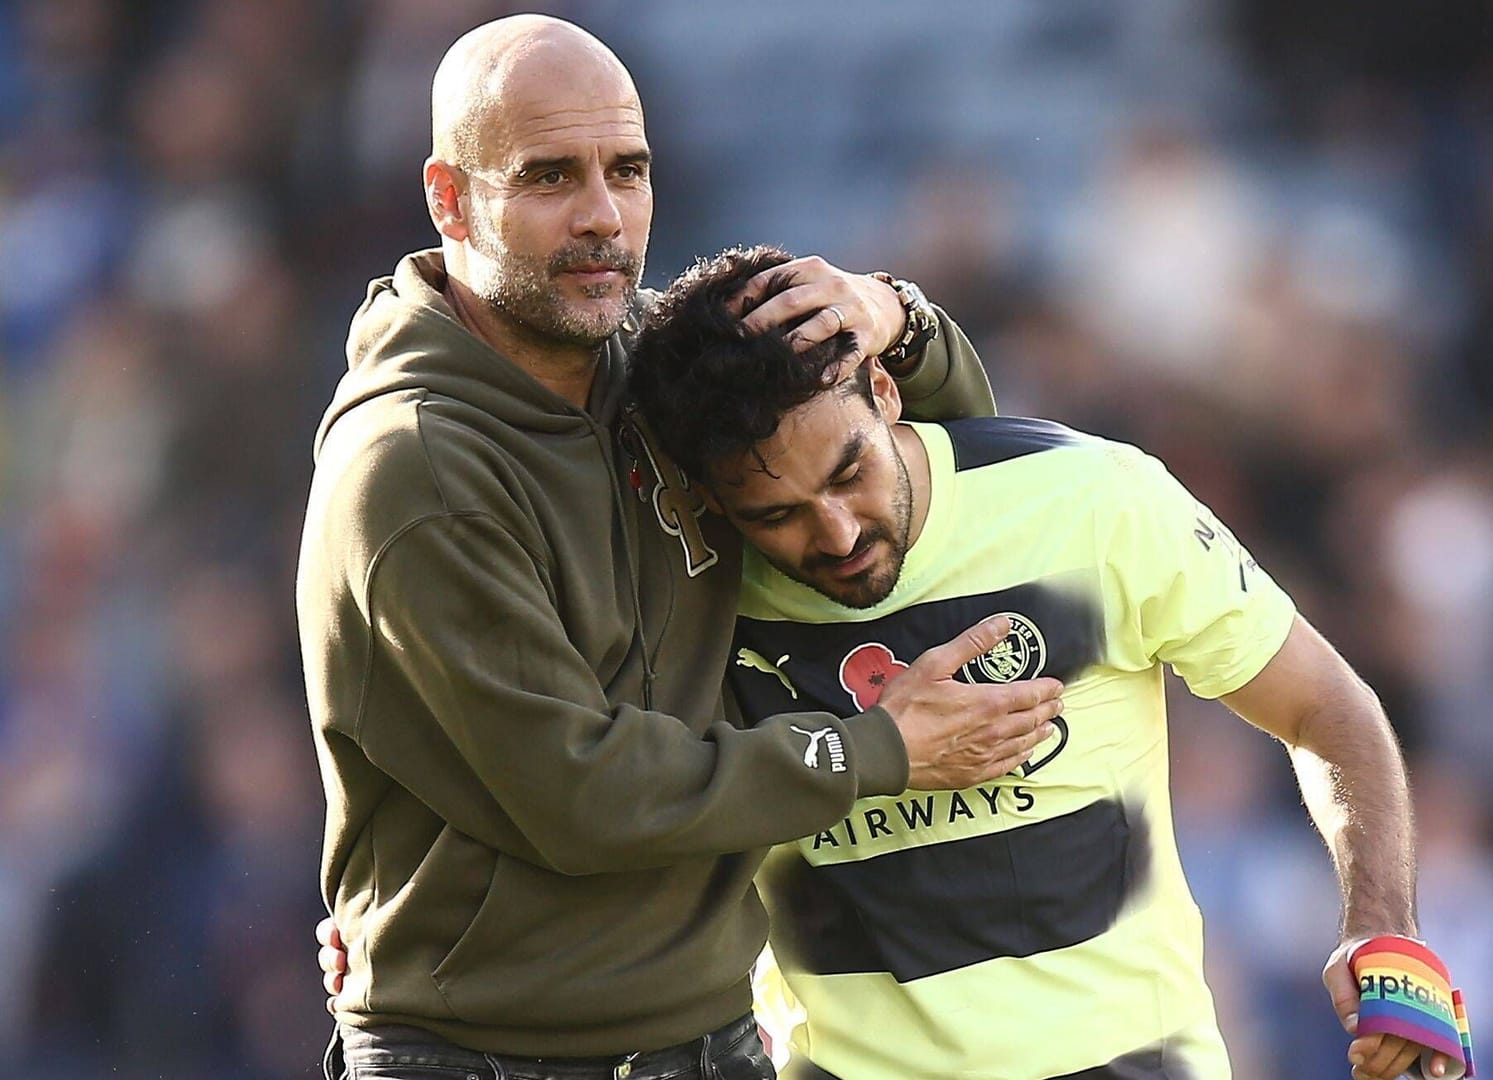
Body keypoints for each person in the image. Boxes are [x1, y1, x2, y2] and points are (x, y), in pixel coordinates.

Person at [297, 15, 1063, 1080]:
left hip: (716, 1038)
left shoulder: (657, 371)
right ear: (449, 198)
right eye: (551, 177)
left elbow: (938, 449)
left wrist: (890, 312)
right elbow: (584, 794)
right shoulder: (415, 468)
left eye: (628, 169)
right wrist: (879, 750)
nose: (603, 215)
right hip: (489, 1056)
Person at [621, 245, 1450, 1080]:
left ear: (883, 390)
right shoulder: (693, 594)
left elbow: (1325, 708)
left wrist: (1381, 926)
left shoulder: (1092, 499)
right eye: (777, 515)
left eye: (850, 472)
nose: (835, 533)